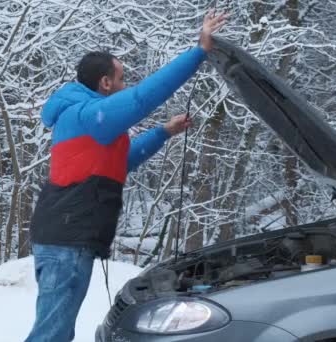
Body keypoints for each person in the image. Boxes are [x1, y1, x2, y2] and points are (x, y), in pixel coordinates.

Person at [25, 11, 228, 342]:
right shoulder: (89, 115)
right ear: (105, 83)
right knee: (51, 334)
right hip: (66, 240)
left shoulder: (85, 118)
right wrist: (198, 52)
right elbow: (141, 98)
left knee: (57, 330)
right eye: (120, 78)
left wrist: (164, 132)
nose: (125, 85)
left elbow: (121, 162)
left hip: (64, 236)